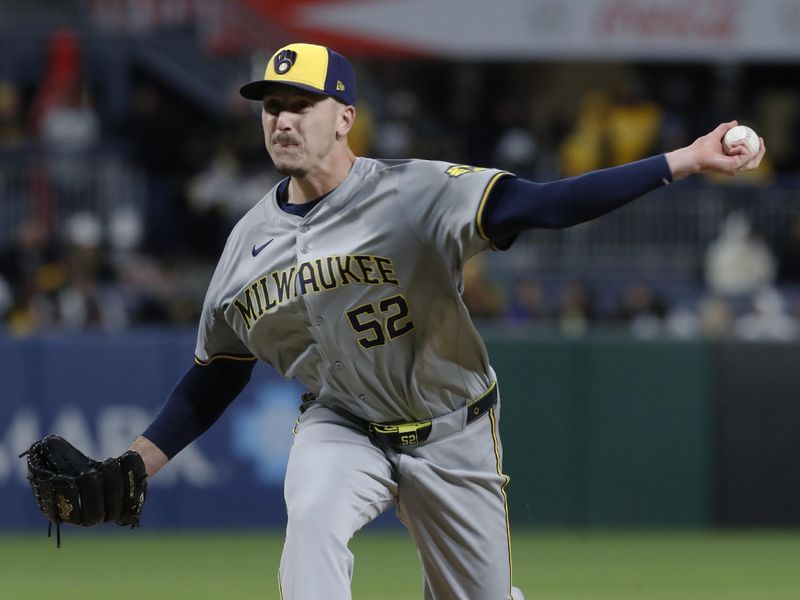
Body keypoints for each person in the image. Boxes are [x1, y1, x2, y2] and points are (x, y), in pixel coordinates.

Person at [124, 43, 765, 600]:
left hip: (452, 431)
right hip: (344, 423)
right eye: (271, 107)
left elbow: (545, 204)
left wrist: (682, 160)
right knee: (313, 517)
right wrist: (135, 464)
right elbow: (219, 369)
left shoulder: (415, 192)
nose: (282, 121)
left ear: (346, 117)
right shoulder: (246, 242)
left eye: (300, 105)